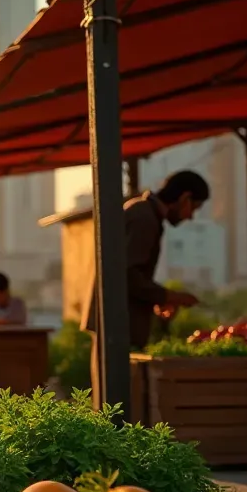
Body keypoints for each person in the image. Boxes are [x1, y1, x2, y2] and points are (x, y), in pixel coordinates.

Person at [81, 169, 207, 408]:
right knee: (116, 405)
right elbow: (127, 275)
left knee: (111, 403)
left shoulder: (143, 212)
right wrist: (170, 296)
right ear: (184, 198)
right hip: (117, 325)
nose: (191, 216)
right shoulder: (144, 218)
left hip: (116, 323)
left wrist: (159, 299)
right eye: (195, 208)